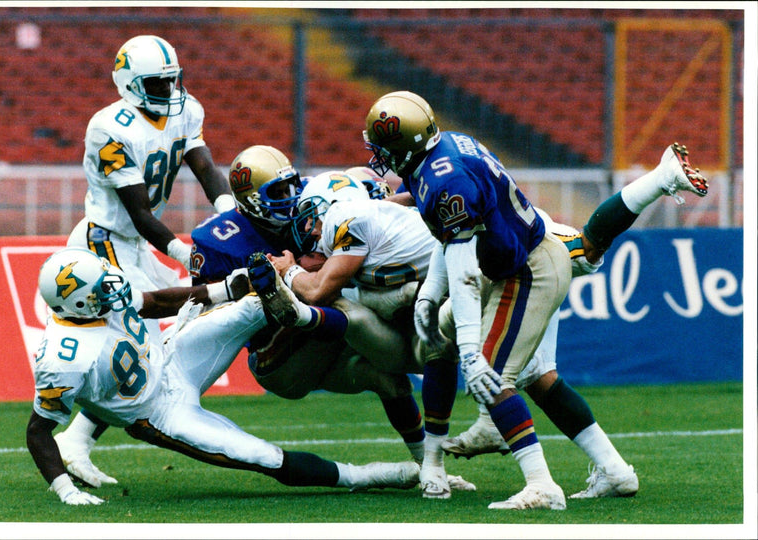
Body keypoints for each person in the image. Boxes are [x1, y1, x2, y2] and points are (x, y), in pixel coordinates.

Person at [26, 247, 420, 505]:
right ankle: (362, 476)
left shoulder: (96, 294)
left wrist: (223, 289)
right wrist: (64, 489)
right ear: (77, 303)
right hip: (156, 413)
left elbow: (158, 302)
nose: (113, 290)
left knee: (259, 300)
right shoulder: (64, 356)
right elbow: (38, 432)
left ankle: (372, 302)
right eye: (101, 291)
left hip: (173, 358)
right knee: (260, 455)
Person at [440, 142, 709, 499]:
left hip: (518, 247)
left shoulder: (418, 195)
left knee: (465, 338)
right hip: (516, 238)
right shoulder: (434, 173)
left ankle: (519, 460)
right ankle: (615, 471)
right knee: (538, 375)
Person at [363, 90, 569, 510]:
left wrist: (471, 351)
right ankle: (433, 463)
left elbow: (466, 272)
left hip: (528, 269)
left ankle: (542, 485)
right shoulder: (437, 155)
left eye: (383, 147)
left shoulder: (444, 180)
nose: (379, 156)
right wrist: (430, 295)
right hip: (506, 265)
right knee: (438, 338)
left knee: (489, 375)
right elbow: (450, 240)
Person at [57, 35, 237, 481]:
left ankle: (76, 437)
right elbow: (138, 212)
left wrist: (228, 212)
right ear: (129, 84)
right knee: (138, 346)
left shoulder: (184, 109)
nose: (170, 93)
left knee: (185, 318)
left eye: (174, 81)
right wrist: (181, 251)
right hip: (106, 243)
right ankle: (72, 434)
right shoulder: (110, 127)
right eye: (159, 84)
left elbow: (204, 166)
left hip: (136, 244)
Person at [252, 170, 471, 500]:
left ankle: (462, 458)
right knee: (376, 315)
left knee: (370, 313)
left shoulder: (349, 218)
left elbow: (319, 288)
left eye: (313, 217)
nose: (311, 230)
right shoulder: (373, 223)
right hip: (422, 311)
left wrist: (289, 271)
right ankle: (433, 464)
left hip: (454, 295)